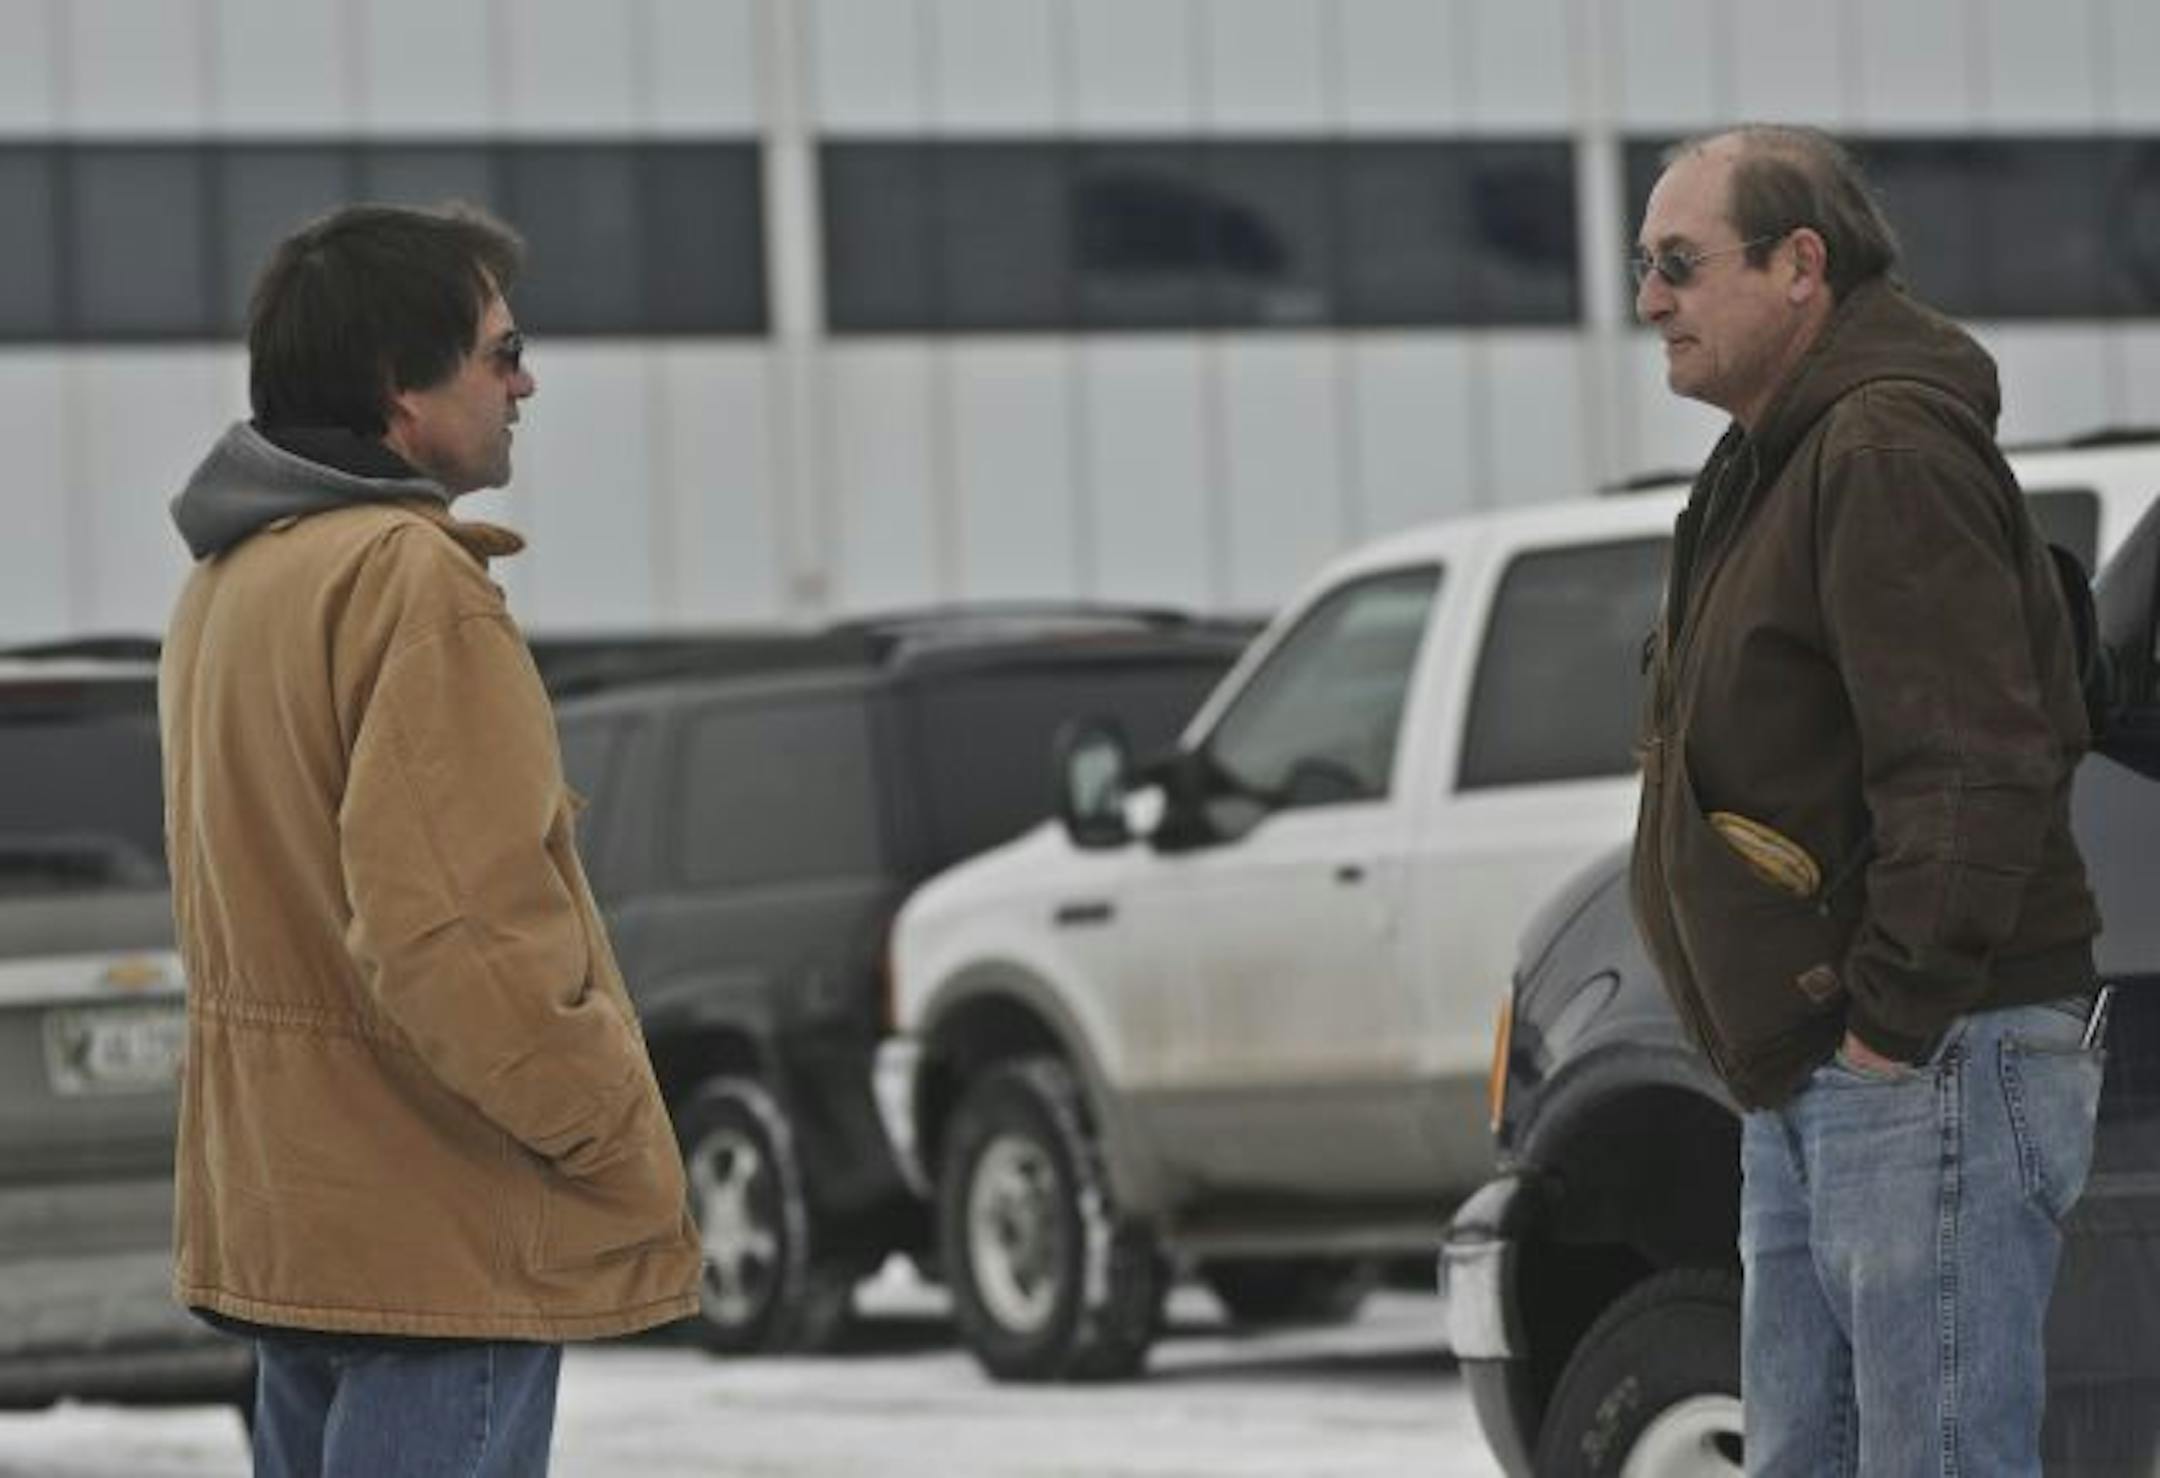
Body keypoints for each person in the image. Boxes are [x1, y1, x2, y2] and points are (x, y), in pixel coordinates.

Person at [158, 204, 700, 1477]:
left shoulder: (229, 586)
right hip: (438, 1226)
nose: (526, 383)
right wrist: (603, 1116)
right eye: (500, 353)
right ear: (401, 386)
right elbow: (453, 929)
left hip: (295, 1217)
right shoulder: (412, 584)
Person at [1627, 127, 2107, 1476]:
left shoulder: (1881, 448)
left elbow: (1969, 755)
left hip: (1927, 1052)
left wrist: (1894, 1021)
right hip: (1828, 1067)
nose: (1648, 299)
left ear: (1800, 266)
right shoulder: (1776, 455)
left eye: (1678, 262)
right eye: (1641, 264)